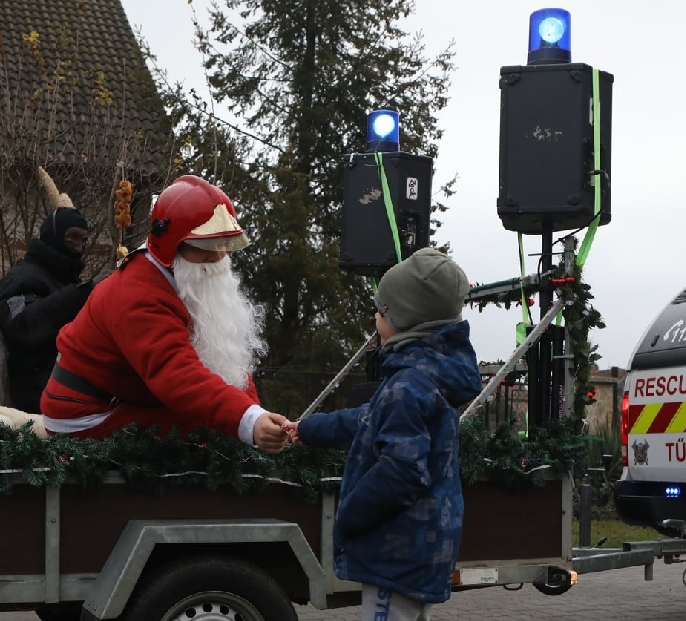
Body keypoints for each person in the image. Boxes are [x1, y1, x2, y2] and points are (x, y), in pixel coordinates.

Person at [284, 248, 482, 621]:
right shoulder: (426, 376)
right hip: (419, 547)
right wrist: (309, 429)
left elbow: (403, 470)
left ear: (406, 320)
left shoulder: (407, 385)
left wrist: (349, 514)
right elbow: (369, 419)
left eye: (382, 310)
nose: (376, 316)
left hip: (396, 551)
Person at [39, 174, 289, 453]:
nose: (218, 257)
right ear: (173, 245)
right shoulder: (138, 294)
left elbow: (227, 363)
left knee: (226, 426)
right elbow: (176, 374)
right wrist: (248, 421)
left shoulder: (185, 279)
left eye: (224, 244)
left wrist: (255, 415)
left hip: (130, 398)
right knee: (214, 434)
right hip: (86, 415)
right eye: (206, 245)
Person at [0, 168, 96, 414]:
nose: (79, 247)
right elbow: (23, 325)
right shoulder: (20, 278)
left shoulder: (64, 280)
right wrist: (83, 292)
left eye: (84, 240)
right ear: (53, 236)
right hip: (40, 391)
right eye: (72, 237)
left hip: (71, 382)